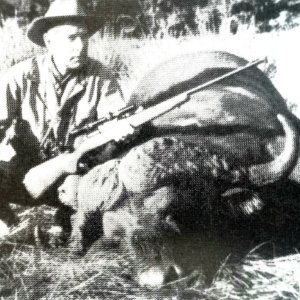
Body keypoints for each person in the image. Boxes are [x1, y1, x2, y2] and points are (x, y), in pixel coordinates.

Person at [0, 0, 133, 227]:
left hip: (75, 177)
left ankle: (66, 220)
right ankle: (9, 223)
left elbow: (116, 123)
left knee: (95, 191)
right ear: (49, 42)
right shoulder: (19, 76)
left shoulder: (102, 78)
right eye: (71, 38)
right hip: (24, 173)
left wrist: (121, 134)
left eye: (84, 37)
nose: (80, 46)